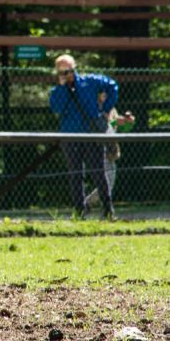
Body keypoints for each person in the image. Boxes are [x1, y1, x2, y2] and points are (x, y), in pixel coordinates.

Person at [49, 54, 119, 219]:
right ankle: (79, 211)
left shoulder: (90, 82)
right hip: (70, 135)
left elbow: (113, 86)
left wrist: (105, 109)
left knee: (98, 172)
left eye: (68, 70)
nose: (66, 74)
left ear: (75, 68)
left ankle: (108, 210)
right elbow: (56, 108)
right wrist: (61, 87)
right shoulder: (58, 90)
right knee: (75, 174)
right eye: (62, 72)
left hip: (91, 134)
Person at [84, 91, 135, 208]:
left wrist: (128, 122)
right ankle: (88, 204)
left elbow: (119, 127)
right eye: (103, 93)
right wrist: (114, 121)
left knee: (109, 182)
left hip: (109, 150)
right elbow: (100, 125)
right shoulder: (93, 107)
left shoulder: (111, 108)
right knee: (107, 182)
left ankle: (90, 204)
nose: (106, 96)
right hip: (97, 148)